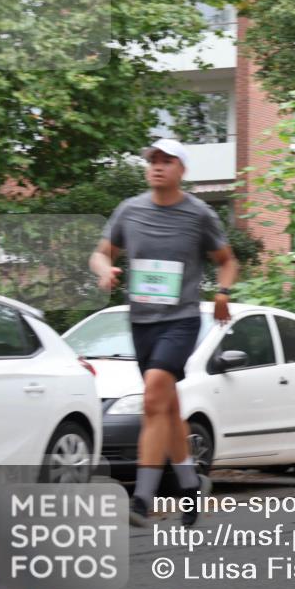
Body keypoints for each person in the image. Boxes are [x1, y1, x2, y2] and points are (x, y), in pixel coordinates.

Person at [92, 138, 238, 527]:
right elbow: (101, 252)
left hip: (181, 319)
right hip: (141, 322)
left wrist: (222, 293)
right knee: (167, 407)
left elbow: (227, 261)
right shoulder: (130, 210)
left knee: (154, 395)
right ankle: (190, 486)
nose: (157, 166)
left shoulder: (199, 214)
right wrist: (104, 269)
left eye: (166, 160)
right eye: (152, 160)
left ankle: (141, 498)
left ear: (182, 170)